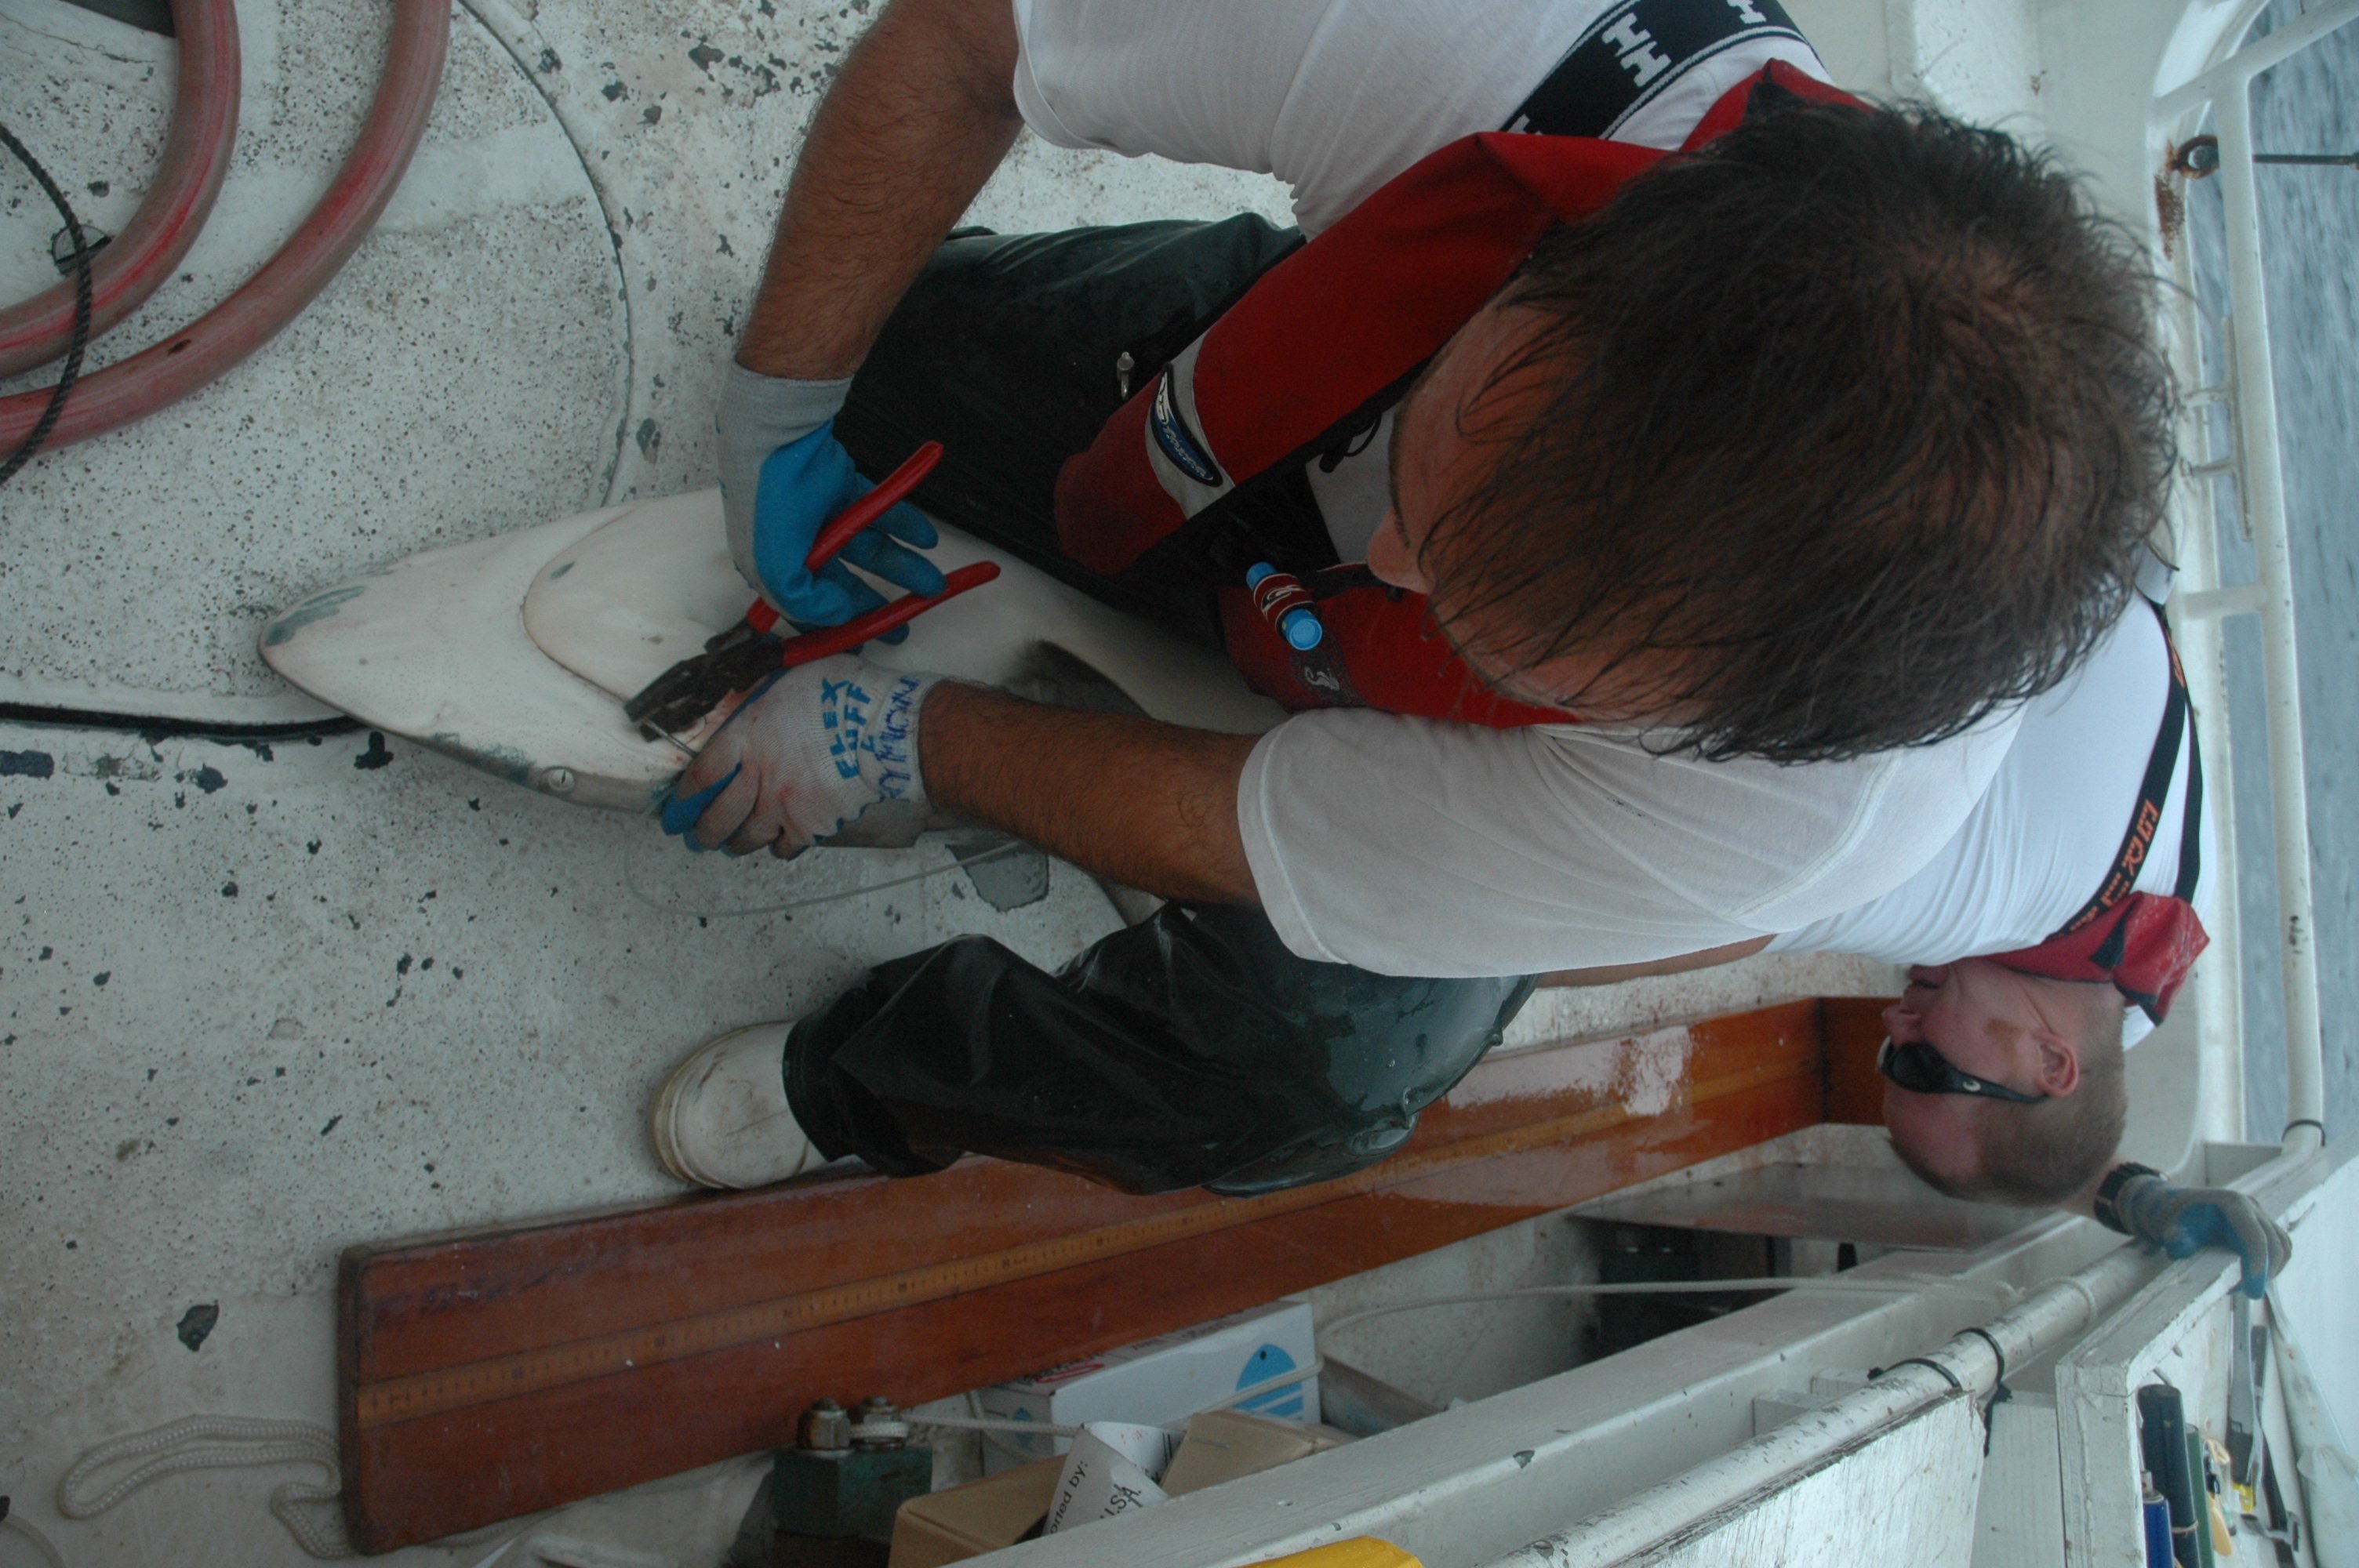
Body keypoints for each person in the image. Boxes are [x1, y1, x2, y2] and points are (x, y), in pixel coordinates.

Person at [652, 2, 2187, 1218]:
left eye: (1482, 602)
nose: (1387, 557)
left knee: (1298, 1081)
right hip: (1283, 399)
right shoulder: (1521, 42)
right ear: (1578, 250)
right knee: (892, 354)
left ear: (1715, 729)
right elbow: (966, 36)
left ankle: (852, 1084)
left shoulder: (1803, 826)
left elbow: (1221, 825)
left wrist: (907, 734)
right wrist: (777, 410)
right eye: (1450, 469)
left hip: (1542, 799)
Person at [650, 567, 2292, 1294]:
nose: (1898, 1013)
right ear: (2039, 1049)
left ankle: (944, 995)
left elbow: (2053, 1122)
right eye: (1923, 1048)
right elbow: (1640, 914)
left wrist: (2124, 1188)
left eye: (1891, 1054)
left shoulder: (2119, 946)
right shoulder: (1980, 881)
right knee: (1317, 1078)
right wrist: (1410, 939)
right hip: (1606, 613)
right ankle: (861, 1057)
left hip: (1678, 678)